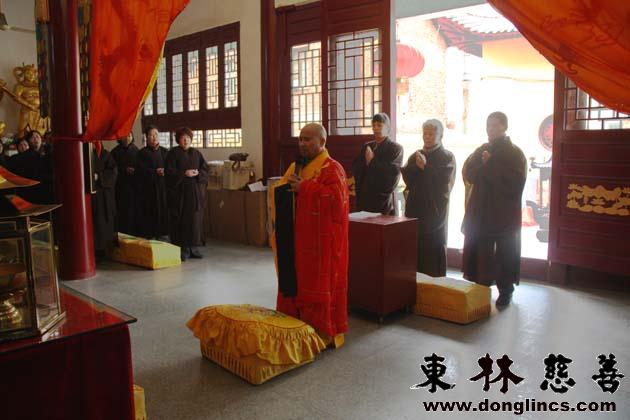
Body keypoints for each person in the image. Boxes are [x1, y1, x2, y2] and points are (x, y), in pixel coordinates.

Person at [271, 122, 349, 347]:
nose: (302, 143)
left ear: (322, 142)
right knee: (294, 282)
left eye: (308, 139)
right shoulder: (296, 167)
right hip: (295, 239)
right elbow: (280, 192)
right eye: (300, 139)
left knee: (317, 285)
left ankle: (320, 334)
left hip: (321, 243)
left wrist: (305, 188)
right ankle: (294, 328)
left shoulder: (332, 169)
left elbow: (337, 203)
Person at [462, 112, 527, 307]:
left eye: (495, 125)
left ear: (504, 127)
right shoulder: (482, 149)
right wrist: (484, 164)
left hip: (503, 212)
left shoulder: (514, 153)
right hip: (481, 209)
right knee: (481, 249)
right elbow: (469, 174)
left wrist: (490, 165)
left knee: (505, 251)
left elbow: (515, 183)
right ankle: (481, 286)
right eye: (488, 125)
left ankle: (506, 289)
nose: (490, 129)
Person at [402, 119, 456, 277]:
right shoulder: (416, 155)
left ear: (440, 135)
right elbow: (407, 177)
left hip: (434, 211)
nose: (427, 137)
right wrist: (417, 168)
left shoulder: (447, 157)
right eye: (425, 133)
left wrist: (426, 167)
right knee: (415, 249)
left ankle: (435, 282)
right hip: (415, 208)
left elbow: (444, 181)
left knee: (433, 248)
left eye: (431, 134)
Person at [165, 127, 209, 261]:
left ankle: (193, 248)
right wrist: (184, 173)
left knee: (194, 220)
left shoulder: (196, 153)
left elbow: (205, 169)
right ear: (178, 140)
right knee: (181, 220)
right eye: (183, 138)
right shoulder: (172, 153)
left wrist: (197, 173)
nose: (186, 140)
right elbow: (169, 172)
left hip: (194, 193)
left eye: (188, 138)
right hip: (179, 194)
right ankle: (182, 249)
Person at [352, 113, 403, 214]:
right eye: (374, 125)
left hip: (382, 200)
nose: (376, 128)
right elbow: (357, 168)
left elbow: (392, 175)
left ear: (388, 128)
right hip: (364, 198)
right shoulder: (367, 146)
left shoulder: (395, 148)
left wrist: (372, 161)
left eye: (379, 125)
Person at [136, 125, 169, 239]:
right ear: (146, 137)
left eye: (156, 134)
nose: (154, 137)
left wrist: (165, 171)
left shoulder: (165, 152)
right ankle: (150, 234)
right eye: (151, 135)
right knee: (150, 210)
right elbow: (139, 170)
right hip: (148, 188)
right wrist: (154, 172)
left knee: (163, 209)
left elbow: (171, 168)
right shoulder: (141, 153)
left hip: (163, 187)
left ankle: (163, 233)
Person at [91, 141, 118, 258]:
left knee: (105, 223)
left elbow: (113, 172)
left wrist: (99, 176)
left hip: (105, 196)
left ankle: (106, 251)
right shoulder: (85, 155)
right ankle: (94, 251)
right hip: (91, 196)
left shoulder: (107, 155)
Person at [111, 132, 139, 235]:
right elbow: (112, 169)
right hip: (120, 186)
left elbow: (141, 167)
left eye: (129, 136)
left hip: (134, 186)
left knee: (134, 211)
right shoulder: (115, 152)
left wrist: (135, 170)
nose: (127, 138)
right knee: (122, 211)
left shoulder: (137, 151)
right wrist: (124, 170)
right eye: (124, 136)